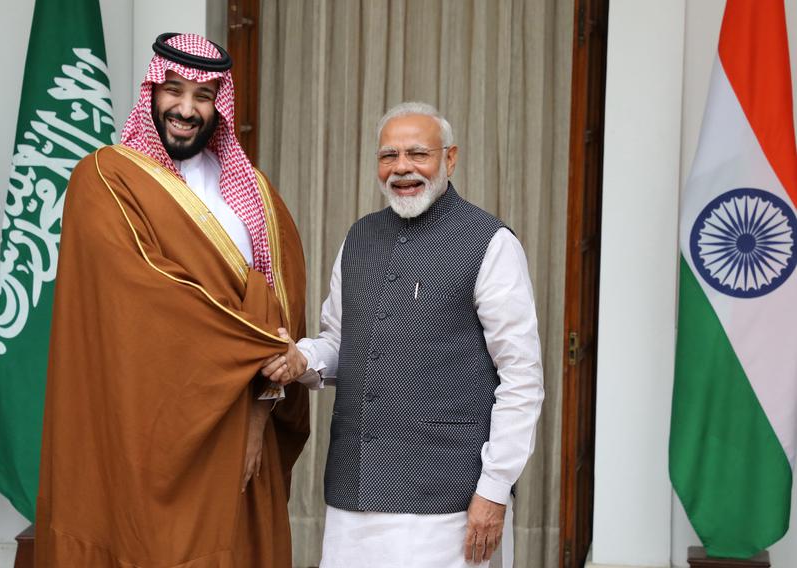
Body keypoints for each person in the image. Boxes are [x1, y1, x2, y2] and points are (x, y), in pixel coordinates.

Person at [35, 33, 309, 567]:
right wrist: (258, 339)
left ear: (219, 106)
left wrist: (258, 412)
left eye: (203, 95)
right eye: (174, 91)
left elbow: (283, 303)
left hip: (239, 416)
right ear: (152, 92)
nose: (186, 109)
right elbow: (145, 302)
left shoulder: (252, 190)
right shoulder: (105, 178)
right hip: (142, 418)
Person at [263, 101, 544, 567]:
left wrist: (494, 490)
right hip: (352, 497)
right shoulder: (358, 238)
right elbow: (340, 343)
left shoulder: (490, 242)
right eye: (388, 156)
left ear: (449, 159)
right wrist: (301, 360)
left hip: (445, 500)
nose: (402, 168)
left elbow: (522, 376)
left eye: (418, 153)